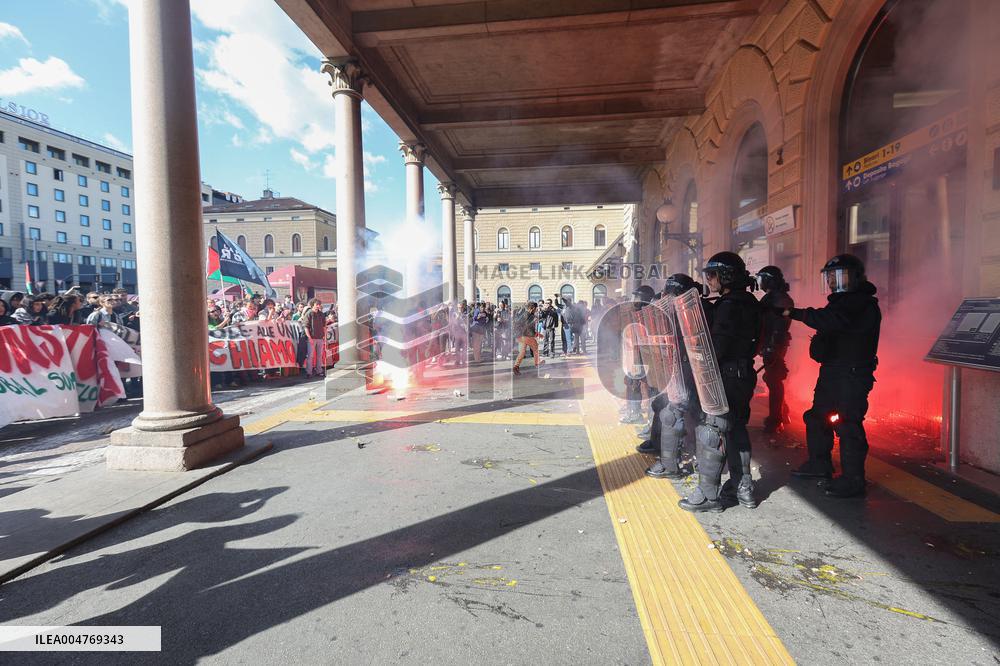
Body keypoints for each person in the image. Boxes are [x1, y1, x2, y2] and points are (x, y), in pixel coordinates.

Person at [784, 254, 881, 498]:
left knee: (848, 423)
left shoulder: (863, 304)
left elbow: (833, 321)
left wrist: (794, 313)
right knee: (817, 417)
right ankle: (820, 464)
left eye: (840, 276)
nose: (833, 282)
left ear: (857, 278)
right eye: (830, 277)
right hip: (832, 371)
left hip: (852, 374)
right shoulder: (840, 302)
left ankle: (853, 479)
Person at [679, 252, 761, 512]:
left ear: (727, 276)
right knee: (736, 429)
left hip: (725, 375)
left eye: (713, 274)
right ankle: (743, 487)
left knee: (712, 430)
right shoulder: (748, 301)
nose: (709, 280)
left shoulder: (729, 304)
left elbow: (718, 345)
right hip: (743, 373)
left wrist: (701, 364)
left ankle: (708, 495)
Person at [639, 275, 704, 483]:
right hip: (693, 371)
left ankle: (671, 465)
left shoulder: (680, 312)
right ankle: (695, 457)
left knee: (673, 414)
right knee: (694, 415)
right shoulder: (698, 310)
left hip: (685, 369)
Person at [756, 265, 794, 433]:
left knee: (773, 379)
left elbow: (780, 325)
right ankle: (782, 413)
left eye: (762, 279)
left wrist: (772, 347)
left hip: (775, 345)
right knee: (772, 379)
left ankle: (776, 419)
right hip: (770, 344)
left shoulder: (780, 299)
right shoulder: (772, 297)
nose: (760, 283)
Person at [621, 285, 655, 424]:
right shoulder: (635, 314)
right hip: (633, 356)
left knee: (647, 387)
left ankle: (646, 417)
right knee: (631, 383)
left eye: (637, 297)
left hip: (644, 357)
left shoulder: (649, 315)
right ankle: (634, 411)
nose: (634, 300)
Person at [512, 301, 544, 376]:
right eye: (535, 308)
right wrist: (537, 334)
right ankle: (537, 363)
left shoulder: (525, 314)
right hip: (525, 335)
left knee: (522, 352)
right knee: (535, 347)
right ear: (532, 308)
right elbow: (528, 327)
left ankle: (516, 367)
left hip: (520, 335)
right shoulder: (529, 315)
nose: (536, 310)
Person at [303, 298, 326, 378]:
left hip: (320, 337)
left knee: (319, 356)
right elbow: (306, 327)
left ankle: (319, 371)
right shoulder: (308, 314)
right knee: (310, 356)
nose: (318, 306)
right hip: (312, 338)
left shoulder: (321, 314)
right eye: (317, 305)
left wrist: (324, 336)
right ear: (313, 305)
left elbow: (324, 326)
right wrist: (309, 338)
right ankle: (309, 372)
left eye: (319, 305)